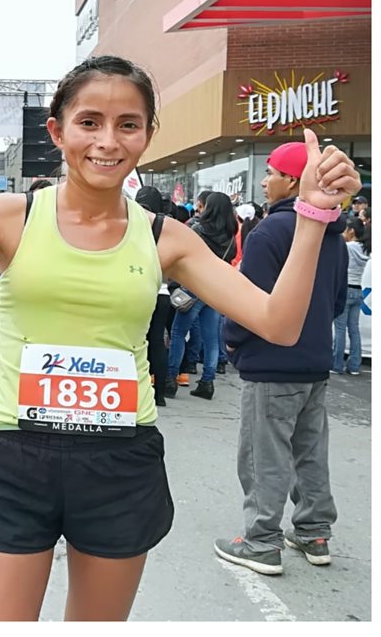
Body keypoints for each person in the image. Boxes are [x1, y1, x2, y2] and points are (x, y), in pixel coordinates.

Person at [0, 54, 360, 621]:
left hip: (119, 460)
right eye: (89, 122)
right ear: (57, 131)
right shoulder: (7, 217)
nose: (107, 141)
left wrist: (314, 216)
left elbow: (277, 323)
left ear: (148, 135)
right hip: (17, 454)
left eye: (128, 124)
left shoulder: (167, 238)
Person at [216, 141, 349, 575]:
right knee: (310, 450)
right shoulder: (334, 236)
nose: (264, 179)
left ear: (292, 180)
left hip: (271, 360)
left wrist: (231, 340)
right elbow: (333, 302)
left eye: (271, 172)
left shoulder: (270, 231)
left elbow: (247, 299)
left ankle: (260, 540)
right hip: (314, 360)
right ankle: (314, 531)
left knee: (263, 454)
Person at [166, 191, 237, 400]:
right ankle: (208, 382)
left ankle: (171, 378)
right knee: (211, 337)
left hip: (193, 285)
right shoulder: (231, 236)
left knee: (178, 332)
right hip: (215, 289)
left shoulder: (197, 229)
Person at [135, 186, 171, 407]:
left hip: (137, 291)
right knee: (158, 342)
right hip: (163, 292)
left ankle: (138, 388)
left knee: (134, 342)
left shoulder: (135, 224)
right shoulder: (167, 228)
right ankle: (160, 394)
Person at [332, 216, 370, 376]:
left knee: (340, 329)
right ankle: (354, 366)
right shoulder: (365, 249)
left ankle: (336, 365)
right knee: (354, 329)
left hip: (345, 289)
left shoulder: (348, 247)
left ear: (351, 230)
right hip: (359, 291)